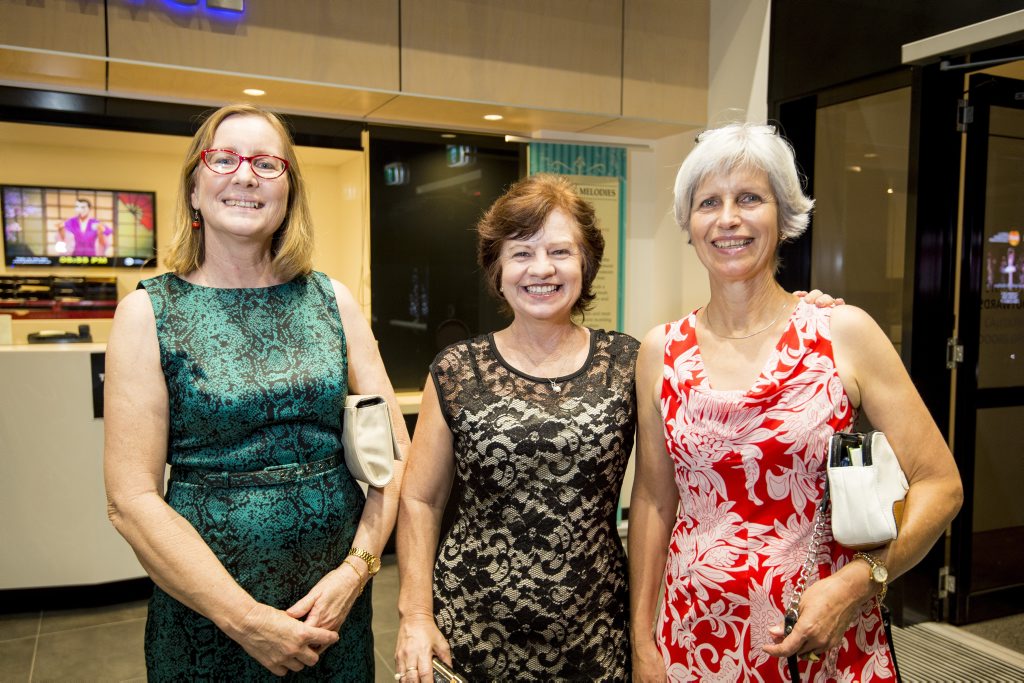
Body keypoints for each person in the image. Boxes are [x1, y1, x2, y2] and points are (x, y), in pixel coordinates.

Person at [628, 123, 963, 682]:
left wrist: (858, 582)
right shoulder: (661, 351)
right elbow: (653, 501)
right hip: (692, 635)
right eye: (709, 202)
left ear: (783, 216)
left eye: (749, 199)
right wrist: (643, 643)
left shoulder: (842, 332)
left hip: (824, 634)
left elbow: (941, 484)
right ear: (689, 223)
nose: (728, 218)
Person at [104, 103, 407, 680]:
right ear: (193, 189)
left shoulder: (333, 301)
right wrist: (245, 620)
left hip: (333, 611)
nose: (245, 176)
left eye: (268, 164)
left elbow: (394, 454)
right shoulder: (147, 313)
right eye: (224, 159)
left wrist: (357, 571)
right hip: (209, 619)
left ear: (289, 192)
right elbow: (131, 499)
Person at [395, 174, 638, 681]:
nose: (541, 268)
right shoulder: (457, 369)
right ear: (498, 270)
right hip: (471, 629)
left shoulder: (627, 363)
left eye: (560, 251)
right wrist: (415, 615)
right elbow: (420, 500)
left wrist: (798, 310)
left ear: (586, 263)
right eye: (521, 253)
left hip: (595, 630)